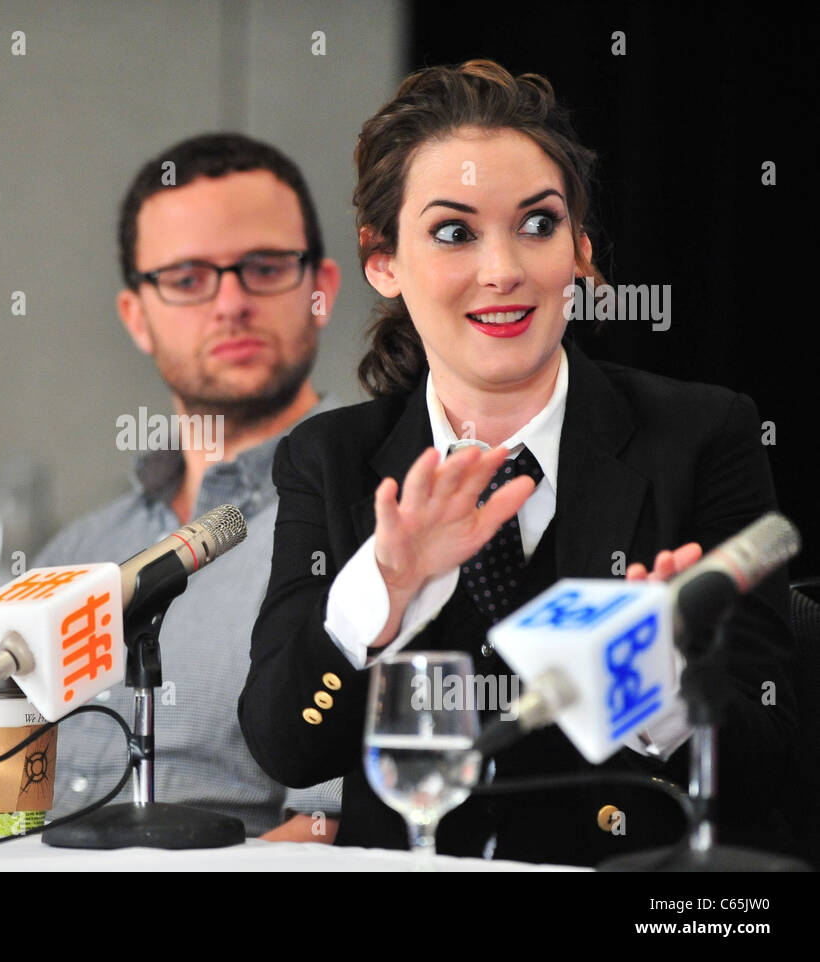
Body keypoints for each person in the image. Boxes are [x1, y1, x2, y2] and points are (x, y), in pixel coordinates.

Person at [237, 60, 799, 865]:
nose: (503, 269)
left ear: (580, 249)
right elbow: (286, 747)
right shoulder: (332, 458)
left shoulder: (702, 432)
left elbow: (769, 766)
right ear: (383, 261)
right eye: (454, 231)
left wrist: (656, 686)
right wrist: (382, 593)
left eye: (538, 224)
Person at [0, 133, 344, 839]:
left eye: (266, 268)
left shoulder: (362, 521)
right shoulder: (83, 546)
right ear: (136, 318)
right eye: (186, 279)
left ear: (321, 291)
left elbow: (334, 826)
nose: (231, 303)